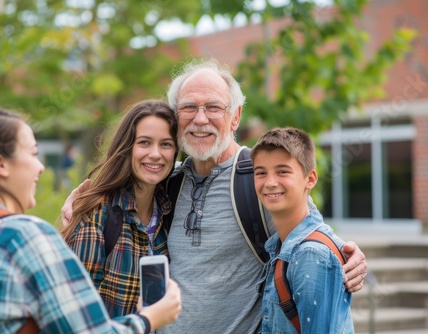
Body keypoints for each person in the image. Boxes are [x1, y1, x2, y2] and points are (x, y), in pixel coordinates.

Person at [63, 58, 367, 334]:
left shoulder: (260, 178)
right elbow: (122, 189)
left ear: (235, 117)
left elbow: (308, 233)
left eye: (213, 107)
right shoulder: (168, 182)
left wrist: (348, 254)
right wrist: (82, 201)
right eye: (189, 107)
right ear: (176, 118)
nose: (200, 118)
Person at [0, 106, 181, 333]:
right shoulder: (24, 236)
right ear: (0, 164)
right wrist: (149, 318)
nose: (41, 167)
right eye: (33, 153)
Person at [60, 99, 179, 318]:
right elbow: (79, 317)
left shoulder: (168, 210)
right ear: (126, 147)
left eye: (166, 144)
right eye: (144, 142)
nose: (155, 154)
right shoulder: (98, 216)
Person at [251, 127, 354, 333]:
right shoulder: (280, 245)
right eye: (261, 173)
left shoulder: (310, 254)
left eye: (282, 171)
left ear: (311, 179)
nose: (270, 183)